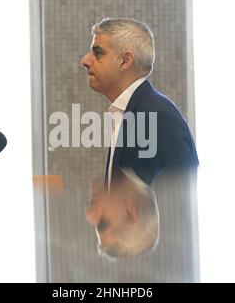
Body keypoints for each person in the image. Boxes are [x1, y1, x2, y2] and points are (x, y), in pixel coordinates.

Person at [81, 18, 199, 259]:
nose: (85, 60)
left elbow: (181, 208)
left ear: (125, 60)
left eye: (98, 53)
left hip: (154, 264)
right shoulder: (135, 112)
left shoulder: (156, 115)